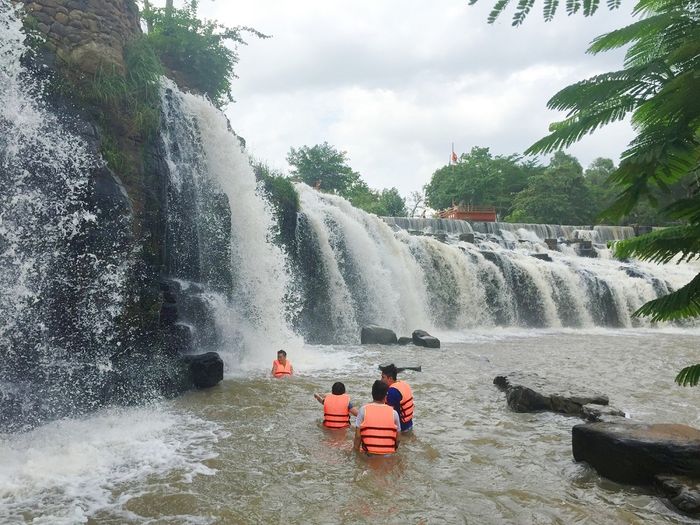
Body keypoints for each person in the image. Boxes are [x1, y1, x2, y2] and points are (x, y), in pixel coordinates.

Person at [354, 380, 400, 455]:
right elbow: (398, 439)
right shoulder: (394, 413)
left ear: (372, 394)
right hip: (388, 455)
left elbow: (358, 436)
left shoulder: (363, 410)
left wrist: (355, 452)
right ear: (386, 396)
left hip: (369, 455)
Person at [380, 364, 414, 432]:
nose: (381, 380)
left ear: (390, 378)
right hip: (409, 425)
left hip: (401, 429)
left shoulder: (392, 392)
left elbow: (389, 414)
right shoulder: (403, 384)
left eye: (383, 377)